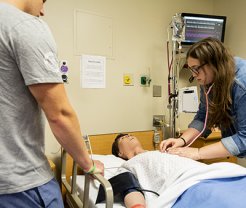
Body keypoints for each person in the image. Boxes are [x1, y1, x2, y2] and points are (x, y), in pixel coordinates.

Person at [0, 0, 103, 207]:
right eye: (44, 1)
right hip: (21, 185)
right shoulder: (23, 26)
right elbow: (60, 115)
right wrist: (89, 165)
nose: (43, 11)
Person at [160, 37, 246, 161]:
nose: (194, 75)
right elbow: (203, 116)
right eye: (191, 69)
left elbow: (244, 138)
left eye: (196, 68)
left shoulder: (241, 84)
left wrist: (198, 153)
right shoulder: (209, 79)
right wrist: (181, 140)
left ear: (214, 63)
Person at [111, 133, 246, 208]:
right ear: (120, 153)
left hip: (213, 173)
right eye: (123, 138)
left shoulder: (163, 151)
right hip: (187, 186)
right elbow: (129, 189)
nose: (129, 136)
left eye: (129, 134)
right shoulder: (127, 165)